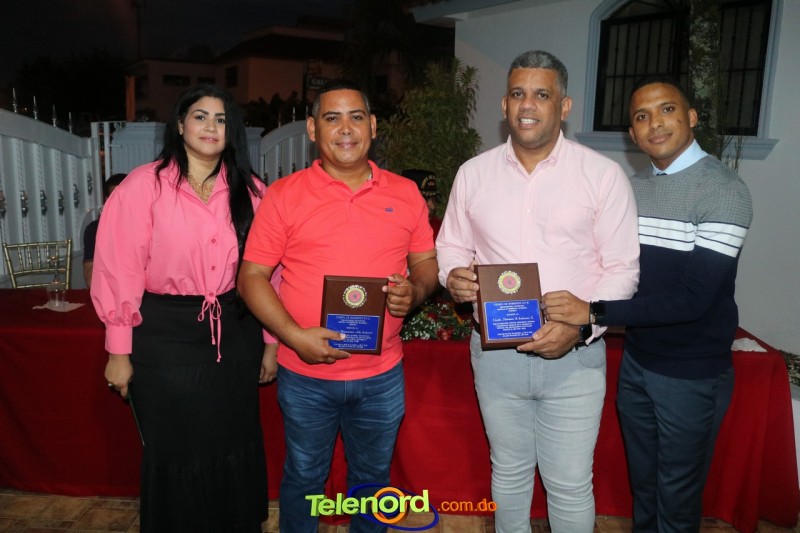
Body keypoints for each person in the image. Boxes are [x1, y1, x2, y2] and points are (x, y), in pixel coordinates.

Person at [436, 50, 640, 533]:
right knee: (507, 474)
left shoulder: (602, 176)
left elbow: (622, 269)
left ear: (564, 106)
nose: (528, 104)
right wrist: (453, 275)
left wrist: (581, 327)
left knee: (569, 484)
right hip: (496, 355)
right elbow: (451, 245)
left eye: (542, 94)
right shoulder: (473, 173)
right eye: (518, 93)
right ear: (505, 104)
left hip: (575, 359)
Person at [543, 76, 753, 532]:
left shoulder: (723, 190)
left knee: (676, 498)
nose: (655, 123)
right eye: (642, 116)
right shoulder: (633, 189)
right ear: (632, 135)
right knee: (644, 489)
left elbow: (693, 300)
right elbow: (612, 267)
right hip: (638, 363)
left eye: (667, 110)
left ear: (691, 117)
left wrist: (593, 312)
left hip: (691, 373)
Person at [238, 79, 439, 533]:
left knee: (372, 481)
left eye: (356, 117)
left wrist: (416, 290)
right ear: (313, 129)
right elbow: (250, 278)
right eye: (332, 118)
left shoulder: (405, 193)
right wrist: (294, 337)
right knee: (304, 478)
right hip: (305, 376)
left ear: (373, 126)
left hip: (381, 376)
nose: (345, 129)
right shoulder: (284, 195)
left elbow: (426, 263)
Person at [91, 83, 276, 532]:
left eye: (221, 119)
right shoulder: (142, 187)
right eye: (200, 116)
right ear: (179, 124)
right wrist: (118, 351)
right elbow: (119, 269)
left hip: (236, 334)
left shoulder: (254, 191)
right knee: (177, 445)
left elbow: (272, 274)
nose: (211, 127)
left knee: (233, 437)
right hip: (164, 337)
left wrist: (271, 342)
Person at [83, 172, 126, 288]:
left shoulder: (149, 227)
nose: (122, 203)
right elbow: (91, 281)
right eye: (115, 198)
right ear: (107, 201)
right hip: (110, 293)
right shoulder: (95, 229)